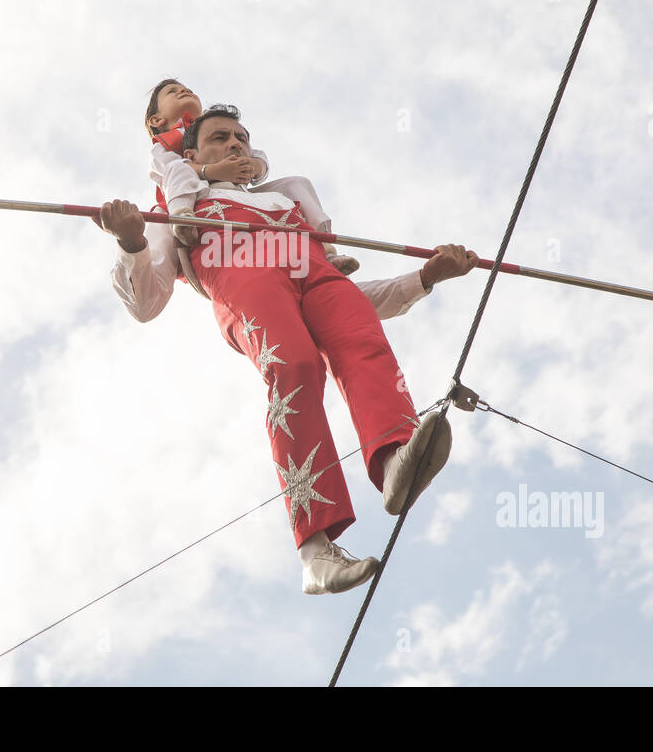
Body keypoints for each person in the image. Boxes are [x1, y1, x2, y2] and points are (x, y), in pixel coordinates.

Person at [100, 104, 478, 595]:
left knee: (360, 337)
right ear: (191, 154)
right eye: (219, 137)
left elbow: (351, 305)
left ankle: (393, 460)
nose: (235, 144)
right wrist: (131, 242)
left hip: (312, 272)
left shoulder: (284, 201)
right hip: (243, 274)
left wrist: (424, 277)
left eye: (240, 137)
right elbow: (147, 302)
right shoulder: (178, 208)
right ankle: (315, 548)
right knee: (295, 365)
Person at [143, 79, 358, 273]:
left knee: (297, 184)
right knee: (178, 169)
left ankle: (325, 248)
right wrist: (213, 171)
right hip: (194, 200)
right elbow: (171, 171)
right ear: (156, 119)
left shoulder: (221, 130)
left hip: (238, 197)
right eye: (173, 91)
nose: (184, 90)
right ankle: (183, 220)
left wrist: (252, 167)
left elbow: (260, 160)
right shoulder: (160, 148)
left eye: (188, 89)